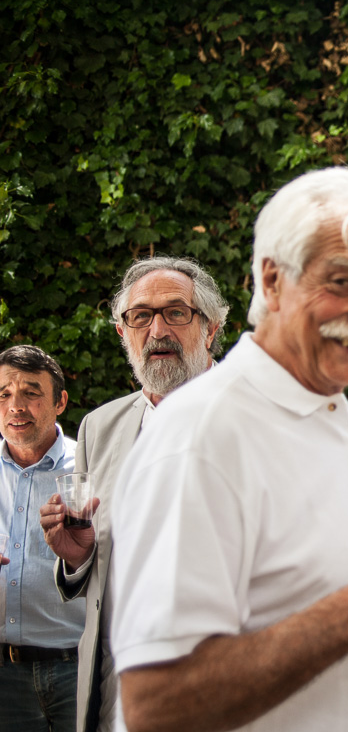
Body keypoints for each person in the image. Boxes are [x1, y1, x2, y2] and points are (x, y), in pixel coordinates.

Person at [106, 166, 348, 732]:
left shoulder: (335, 409)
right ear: (271, 282)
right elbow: (157, 705)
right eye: (342, 283)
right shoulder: (201, 436)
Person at [40, 257, 228, 732]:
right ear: (123, 333)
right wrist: (78, 556)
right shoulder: (98, 428)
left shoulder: (261, 417)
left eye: (176, 312)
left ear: (211, 328)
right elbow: (94, 565)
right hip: (117, 693)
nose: (157, 329)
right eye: (140, 316)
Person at [0, 345, 83, 731]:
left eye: (31, 393)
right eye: (4, 394)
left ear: (60, 402)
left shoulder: (88, 466)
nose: (15, 405)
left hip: (76, 666)